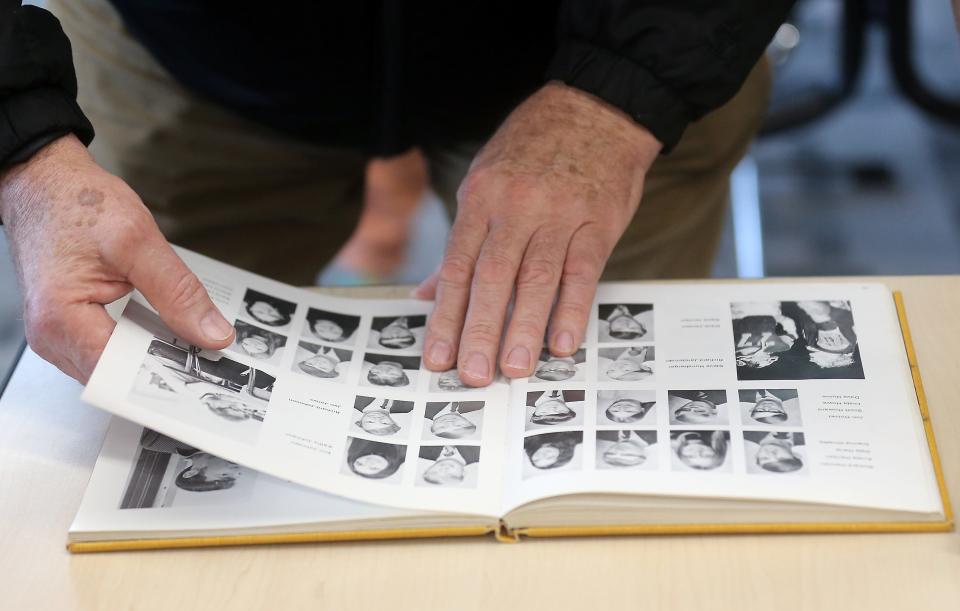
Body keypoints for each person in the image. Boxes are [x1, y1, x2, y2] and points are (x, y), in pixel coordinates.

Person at [0, 0, 793, 386]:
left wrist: (623, 93)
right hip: (188, 47)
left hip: (607, 57)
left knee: (594, 393)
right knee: (141, 391)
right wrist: (25, 140)